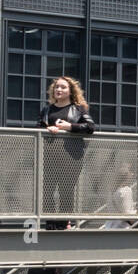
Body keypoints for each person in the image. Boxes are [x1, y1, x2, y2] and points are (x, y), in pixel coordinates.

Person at [37, 76, 95, 229]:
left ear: (70, 91)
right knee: (47, 191)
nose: (59, 90)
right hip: (48, 156)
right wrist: (47, 128)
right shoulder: (47, 109)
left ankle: (63, 224)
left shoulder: (78, 109)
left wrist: (69, 127)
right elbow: (37, 128)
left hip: (70, 158)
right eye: (57, 87)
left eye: (63, 87)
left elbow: (90, 127)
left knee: (66, 191)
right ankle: (49, 224)